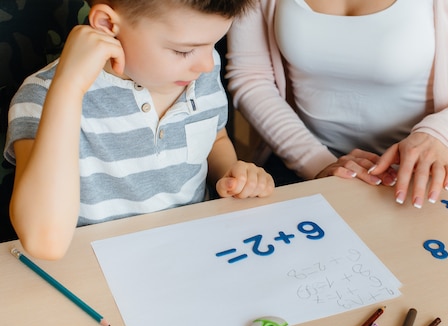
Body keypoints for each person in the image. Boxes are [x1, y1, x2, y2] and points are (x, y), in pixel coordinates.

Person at [4, 0, 275, 260]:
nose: (206, 64)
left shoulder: (203, 67)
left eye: (213, 43)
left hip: (193, 251)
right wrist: (69, 89)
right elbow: (44, 242)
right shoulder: (41, 98)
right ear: (107, 24)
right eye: (183, 50)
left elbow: (214, 137)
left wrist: (230, 173)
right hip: (93, 270)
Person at [226, 0, 448, 207]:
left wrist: (441, 133)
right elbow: (250, 76)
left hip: (431, 167)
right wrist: (317, 163)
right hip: (304, 159)